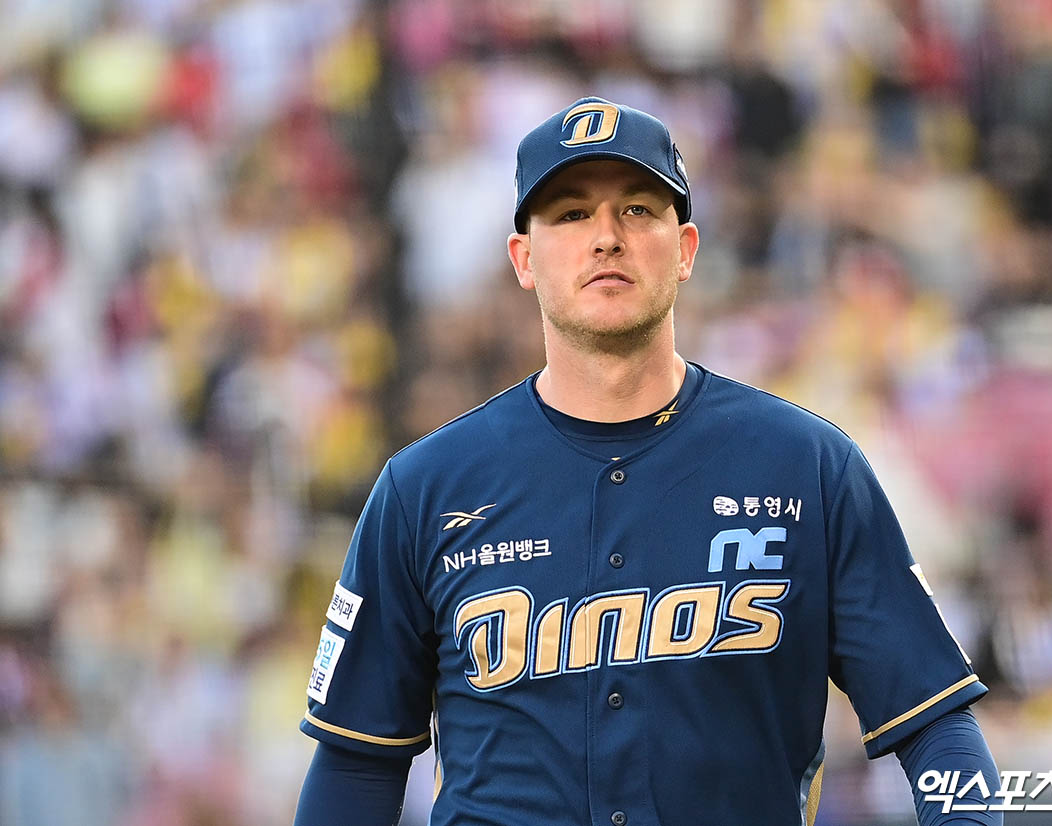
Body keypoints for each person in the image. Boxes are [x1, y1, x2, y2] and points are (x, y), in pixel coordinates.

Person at [293, 97, 1002, 826]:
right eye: (571, 214)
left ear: (686, 249)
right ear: (524, 259)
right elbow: (356, 762)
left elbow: (936, 723)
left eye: (636, 210)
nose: (606, 238)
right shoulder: (424, 488)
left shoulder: (807, 467)